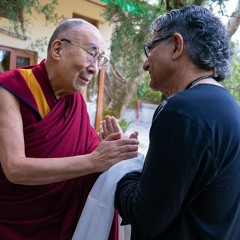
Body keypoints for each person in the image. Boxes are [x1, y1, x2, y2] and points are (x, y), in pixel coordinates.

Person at [0, 18, 139, 240]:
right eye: (91, 54)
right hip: (14, 225)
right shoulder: (9, 89)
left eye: (99, 59)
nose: (94, 68)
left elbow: (90, 151)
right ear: (58, 49)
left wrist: (111, 149)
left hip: (62, 225)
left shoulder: (74, 102)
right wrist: (94, 161)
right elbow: (15, 168)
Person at [113, 5, 240, 240]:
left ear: (176, 45)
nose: (145, 64)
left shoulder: (181, 110)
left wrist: (120, 166)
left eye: (149, 48)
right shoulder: (229, 107)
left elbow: (146, 216)